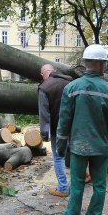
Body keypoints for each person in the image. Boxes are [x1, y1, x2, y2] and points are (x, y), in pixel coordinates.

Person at [55, 44, 108, 215]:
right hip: (101, 147)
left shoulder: (71, 88)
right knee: (100, 186)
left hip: (78, 147)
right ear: (102, 65)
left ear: (85, 64)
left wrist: (60, 146)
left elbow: (64, 120)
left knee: (76, 185)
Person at [38, 63, 73, 197]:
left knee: (59, 158)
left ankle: (63, 188)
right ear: (54, 71)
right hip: (74, 125)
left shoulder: (44, 88)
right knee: (76, 154)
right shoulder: (70, 82)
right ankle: (84, 176)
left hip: (57, 129)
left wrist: (44, 133)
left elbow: (44, 114)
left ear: (43, 74)